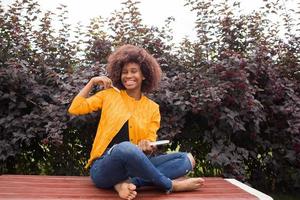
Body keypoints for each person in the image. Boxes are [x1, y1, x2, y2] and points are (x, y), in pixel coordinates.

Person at [68, 44, 204, 200]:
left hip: (134, 168)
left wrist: (147, 147)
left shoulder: (152, 108)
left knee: (187, 159)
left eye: (134, 71)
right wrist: (92, 82)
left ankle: (126, 183)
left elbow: (150, 143)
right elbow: (75, 108)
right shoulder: (109, 95)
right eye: (124, 72)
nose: (128, 76)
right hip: (104, 167)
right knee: (125, 148)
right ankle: (170, 185)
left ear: (144, 75)